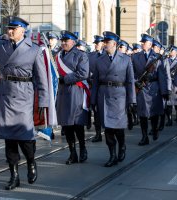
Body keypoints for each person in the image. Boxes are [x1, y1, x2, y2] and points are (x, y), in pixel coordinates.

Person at [0, 16, 49, 190]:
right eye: (9, 28)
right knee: (9, 139)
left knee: (25, 137)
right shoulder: (1, 45)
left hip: (25, 94)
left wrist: (44, 102)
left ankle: (31, 162)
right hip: (6, 93)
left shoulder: (35, 49)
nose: (10, 31)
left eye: (14, 29)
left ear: (23, 30)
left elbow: (42, 78)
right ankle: (14, 175)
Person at [91, 31, 136, 167]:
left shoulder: (126, 59)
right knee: (108, 129)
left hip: (119, 96)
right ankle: (112, 155)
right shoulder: (100, 60)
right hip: (104, 95)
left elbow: (130, 82)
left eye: (107, 42)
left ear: (115, 44)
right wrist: (93, 100)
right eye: (104, 42)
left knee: (118, 128)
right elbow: (95, 82)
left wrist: (132, 100)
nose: (105, 45)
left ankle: (122, 146)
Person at [56, 30, 89, 165]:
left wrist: (66, 78)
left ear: (73, 42)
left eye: (66, 40)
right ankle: (72, 153)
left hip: (75, 91)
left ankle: (82, 148)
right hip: (63, 93)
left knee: (77, 124)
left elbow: (83, 73)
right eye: (62, 40)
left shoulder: (81, 55)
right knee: (67, 125)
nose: (63, 43)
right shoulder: (57, 55)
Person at [132, 34, 171, 146]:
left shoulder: (157, 57)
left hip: (154, 87)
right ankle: (144, 136)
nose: (142, 44)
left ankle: (154, 129)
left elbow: (162, 76)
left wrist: (165, 91)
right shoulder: (135, 57)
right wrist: (136, 81)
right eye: (142, 43)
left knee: (154, 112)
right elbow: (132, 72)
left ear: (150, 44)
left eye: (144, 43)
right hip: (142, 87)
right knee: (142, 114)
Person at [88, 35, 104, 142]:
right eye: (95, 43)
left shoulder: (107, 55)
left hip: (104, 87)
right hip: (93, 87)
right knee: (96, 111)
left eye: (97, 43)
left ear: (103, 44)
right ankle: (98, 134)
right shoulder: (91, 56)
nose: (96, 45)